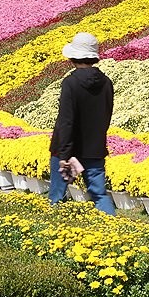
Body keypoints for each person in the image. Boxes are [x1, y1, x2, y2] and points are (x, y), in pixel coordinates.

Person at [48, 32, 115, 215]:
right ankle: (113, 230)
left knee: (57, 195)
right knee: (99, 195)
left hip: (67, 150)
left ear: (73, 56)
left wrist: (65, 153)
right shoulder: (106, 83)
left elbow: (66, 121)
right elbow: (106, 116)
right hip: (94, 149)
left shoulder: (70, 83)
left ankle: (55, 231)